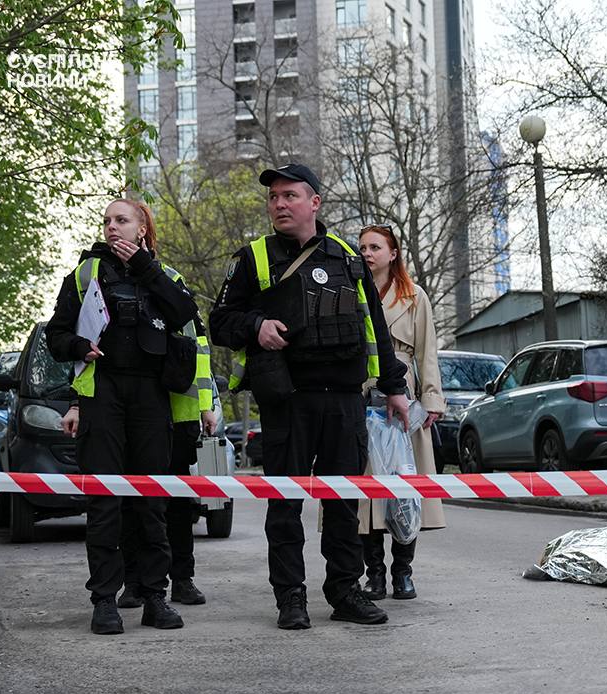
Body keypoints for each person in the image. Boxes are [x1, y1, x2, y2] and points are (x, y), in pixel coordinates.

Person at [209, 163, 410, 630]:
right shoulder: (252, 259)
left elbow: (373, 328)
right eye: (274, 197)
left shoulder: (346, 256)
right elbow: (219, 322)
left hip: (343, 399)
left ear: (314, 203)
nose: (279, 204)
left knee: (343, 503)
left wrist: (395, 388)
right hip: (287, 401)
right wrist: (255, 326)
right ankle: (290, 597)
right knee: (285, 504)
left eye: (290, 195)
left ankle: (344, 591)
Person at [46, 198, 199, 635]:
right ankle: (104, 601)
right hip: (103, 394)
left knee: (152, 499)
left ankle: (155, 596)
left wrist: (147, 269)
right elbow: (56, 333)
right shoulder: (85, 274)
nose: (112, 228)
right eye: (108, 221)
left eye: (122, 220)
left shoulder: (165, 275)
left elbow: (184, 315)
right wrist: (78, 348)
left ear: (142, 228)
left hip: (152, 396)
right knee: (103, 500)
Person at [356, 224, 447, 601]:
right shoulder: (352, 294)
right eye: (362, 247)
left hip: (405, 405)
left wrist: (431, 400)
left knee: (406, 491)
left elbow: (427, 352)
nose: (367, 252)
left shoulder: (415, 297)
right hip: (362, 401)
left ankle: (403, 572)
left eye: (375, 246)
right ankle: (374, 574)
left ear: (393, 253)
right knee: (367, 497)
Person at [118, 271, 216, 609]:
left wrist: (206, 406)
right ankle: (133, 582)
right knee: (133, 501)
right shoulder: (113, 280)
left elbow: (198, 346)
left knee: (176, 503)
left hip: (180, 413)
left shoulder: (171, 280)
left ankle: (182, 579)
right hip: (136, 412)